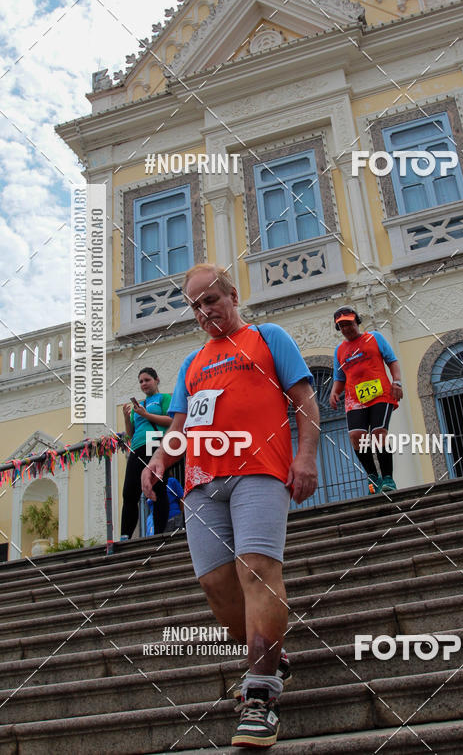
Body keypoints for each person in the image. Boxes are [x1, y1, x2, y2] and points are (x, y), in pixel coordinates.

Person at [142, 263, 319, 749]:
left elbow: (304, 401)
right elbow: (178, 426)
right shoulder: (193, 363)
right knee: (215, 584)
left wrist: (305, 457)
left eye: (211, 300)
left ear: (232, 295)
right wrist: (158, 460)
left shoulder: (269, 337)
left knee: (257, 571)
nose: (204, 312)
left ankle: (260, 694)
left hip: (259, 471)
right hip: (200, 484)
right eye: (195, 306)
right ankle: (270, 657)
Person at [329, 306, 403, 494]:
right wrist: (334, 392)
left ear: (357, 322)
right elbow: (340, 377)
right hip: (355, 399)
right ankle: (373, 476)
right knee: (356, 436)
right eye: (342, 325)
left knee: (378, 433)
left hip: (381, 394)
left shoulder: (374, 338)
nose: (346, 328)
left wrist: (397, 382)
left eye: (349, 323)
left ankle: (387, 478)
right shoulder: (339, 351)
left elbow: (392, 360)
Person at [121, 368, 172, 539]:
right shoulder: (139, 406)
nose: (144, 384)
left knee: (157, 488)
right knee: (129, 492)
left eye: (147, 380)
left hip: (155, 442)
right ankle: (125, 535)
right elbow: (130, 433)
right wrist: (127, 418)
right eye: (141, 381)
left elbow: (172, 420)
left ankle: (158, 534)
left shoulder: (164, 398)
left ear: (156, 380)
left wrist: (147, 414)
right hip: (137, 446)